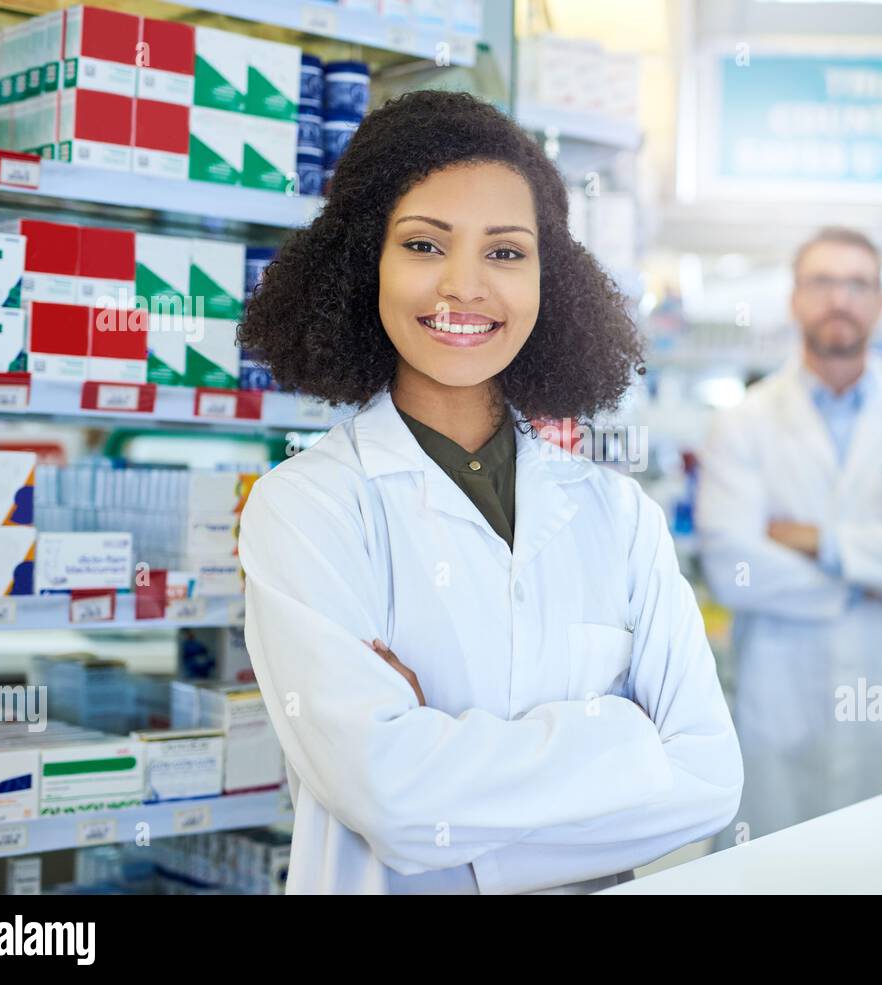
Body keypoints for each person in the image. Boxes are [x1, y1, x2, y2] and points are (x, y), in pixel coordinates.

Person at [235, 90, 742, 895]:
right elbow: (390, 799)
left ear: (552, 279)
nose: (464, 287)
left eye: (505, 252)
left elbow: (711, 781)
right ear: (364, 262)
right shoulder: (307, 508)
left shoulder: (621, 516)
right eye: (425, 245)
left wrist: (446, 770)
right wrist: (624, 737)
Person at [696, 227, 882, 844]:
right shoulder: (741, 425)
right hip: (783, 710)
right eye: (822, 281)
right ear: (794, 299)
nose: (840, 299)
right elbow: (734, 569)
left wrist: (818, 542)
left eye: (858, 284)